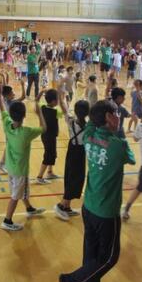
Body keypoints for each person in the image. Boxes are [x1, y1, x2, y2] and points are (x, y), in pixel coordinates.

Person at [59, 100, 135, 282]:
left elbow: (92, 120)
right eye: (116, 113)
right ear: (108, 118)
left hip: (89, 205)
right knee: (109, 257)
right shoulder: (118, 146)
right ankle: (70, 281)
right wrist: (117, 133)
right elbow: (132, 158)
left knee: (91, 253)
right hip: (106, 211)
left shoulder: (89, 135)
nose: (119, 117)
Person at [0, 85, 47, 231]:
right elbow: (44, 128)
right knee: (15, 196)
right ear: (24, 116)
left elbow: (2, 108)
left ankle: (29, 208)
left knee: (22, 191)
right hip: (20, 170)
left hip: (11, 168)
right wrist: (39, 113)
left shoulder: (7, 125)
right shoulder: (26, 132)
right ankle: (7, 220)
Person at [54, 92, 90, 221]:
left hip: (72, 150)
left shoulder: (70, 120)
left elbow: (63, 107)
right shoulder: (89, 126)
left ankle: (67, 206)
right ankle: (61, 205)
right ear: (87, 112)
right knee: (74, 178)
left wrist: (60, 95)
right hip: (80, 152)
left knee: (73, 176)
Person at [36, 89, 61, 184]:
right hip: (49, 136)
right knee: (48, 155)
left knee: (53, 154)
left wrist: (41, 92)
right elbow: (64, 109)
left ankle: (50, 172)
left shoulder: (43, 107)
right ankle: (39, 176)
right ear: (54, 101)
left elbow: (36, 101)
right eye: (58, 99)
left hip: (46, 136)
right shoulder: (55, 112)